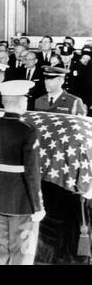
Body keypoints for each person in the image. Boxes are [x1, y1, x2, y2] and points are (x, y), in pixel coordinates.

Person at [0, 80, 46, 265]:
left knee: (0, 251)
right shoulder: (28, 130)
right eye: (25, 98)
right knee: (22, 252)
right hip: (23, 202)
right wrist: (37, 206)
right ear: (20, 101)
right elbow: (32, 172)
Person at [33, 66, 87, 264]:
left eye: (52, 79)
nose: (47, 82)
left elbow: (80, 137)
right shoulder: (38, 101)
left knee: (65, 215)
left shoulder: (74, 103)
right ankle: (43, 255)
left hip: (65, 170)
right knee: (46, 213)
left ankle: (62, 255)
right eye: (46, 79)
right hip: (43, 168)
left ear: (61, 81)